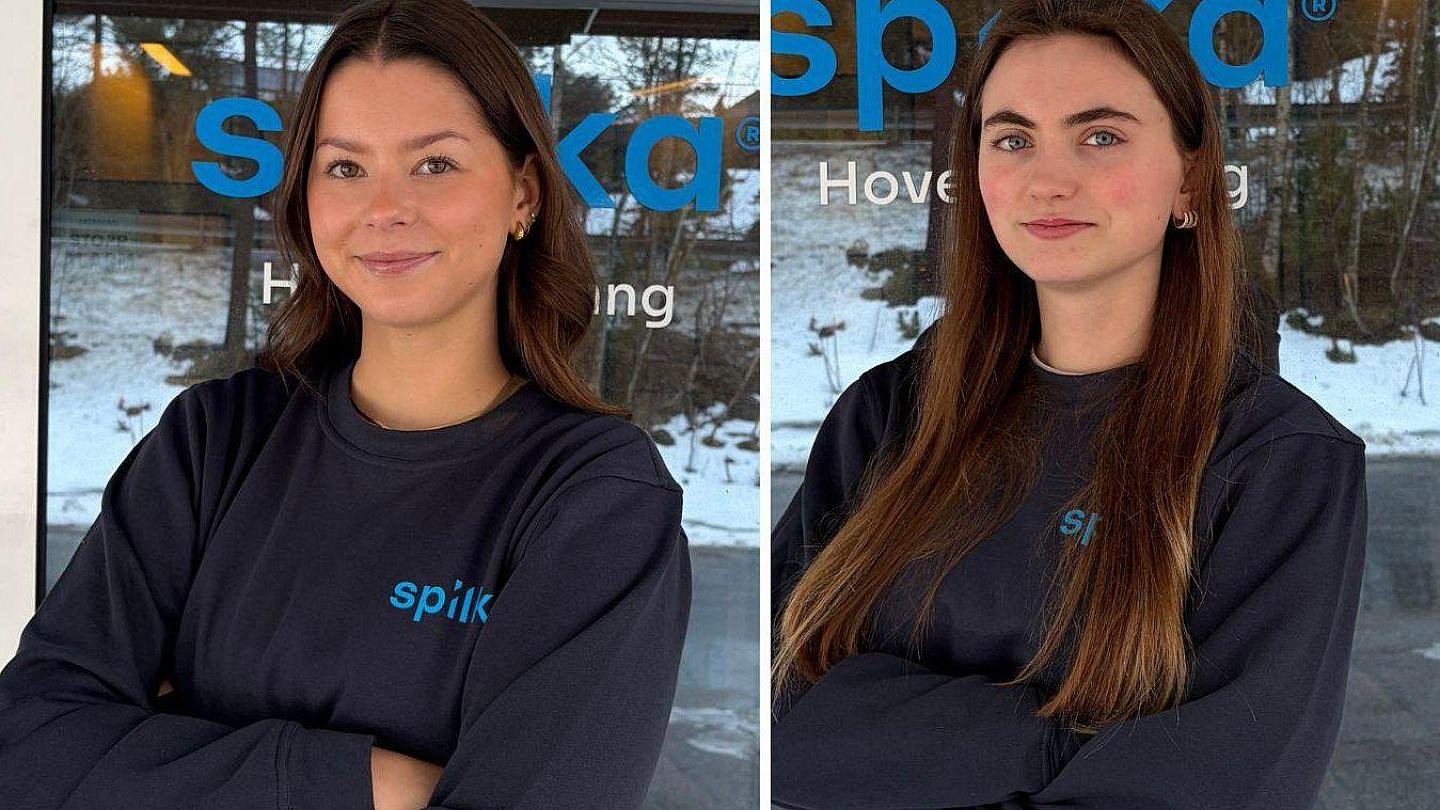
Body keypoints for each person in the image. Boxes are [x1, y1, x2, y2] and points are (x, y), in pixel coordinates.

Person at [0, 1, 691, 808]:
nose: (384, 207)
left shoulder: (595, 499)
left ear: (523, 194)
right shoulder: (214, 440)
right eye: (345, 168)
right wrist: (378, 784)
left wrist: (161, 753)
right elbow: (29, 742)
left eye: (435, 163)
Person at [770, 0, 1367, 808]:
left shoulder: (1278, 462)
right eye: (1013, 139)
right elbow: (781, 718)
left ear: (1190, 179)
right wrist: (1071, 744)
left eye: (1101, 135)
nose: (1048, 180)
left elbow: (1213, 785)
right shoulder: (889, 416)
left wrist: (877, 734)